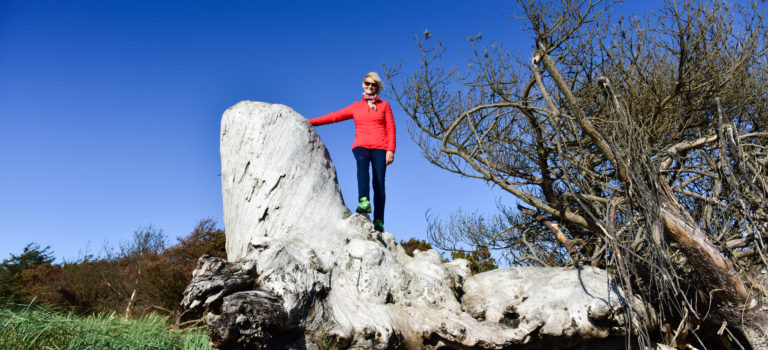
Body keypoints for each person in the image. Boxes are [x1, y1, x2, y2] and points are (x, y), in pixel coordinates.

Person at [309, 72, 395, 232]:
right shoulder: (356, 106)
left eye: (373, 84)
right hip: (361, 145)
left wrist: (391, 150)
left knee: (379, 183)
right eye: (367, 83)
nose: (370, 86)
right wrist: (310, 122)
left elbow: (390, 127)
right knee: (362, 163)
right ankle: (364, 200)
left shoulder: (384, 106)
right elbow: (334, 116)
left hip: (380, 147)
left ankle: (379, 221)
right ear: (363, 84)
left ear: (377, 87)